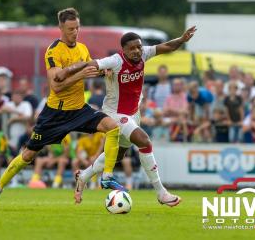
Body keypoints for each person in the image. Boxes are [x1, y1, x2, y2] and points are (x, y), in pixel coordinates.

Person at [0, 7, 122, 210]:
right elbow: (56, 85)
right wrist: (81, 75)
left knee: (112, 127)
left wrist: (103, 71)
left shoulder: (82, 49)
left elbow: (90, 70)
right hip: (55, 114)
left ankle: (106, 177)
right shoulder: (53, 51)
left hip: (79, 109)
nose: (75, 32)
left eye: (78, 28)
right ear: (61, 28)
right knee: (28, 156)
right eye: (71, 29)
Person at [59, 26, 196, 205]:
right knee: (144, 141)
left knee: (117, 156)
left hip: (133, 113)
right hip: (114, 114)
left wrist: (182, 39)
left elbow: (167, 47)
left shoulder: (144, 54)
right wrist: (68, 71)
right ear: (123, 50)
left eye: (138, 47)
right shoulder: (115, 61)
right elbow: (92, 65)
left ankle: (83, 176)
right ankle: (161, 193)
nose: (137, 51)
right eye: (132, 48)